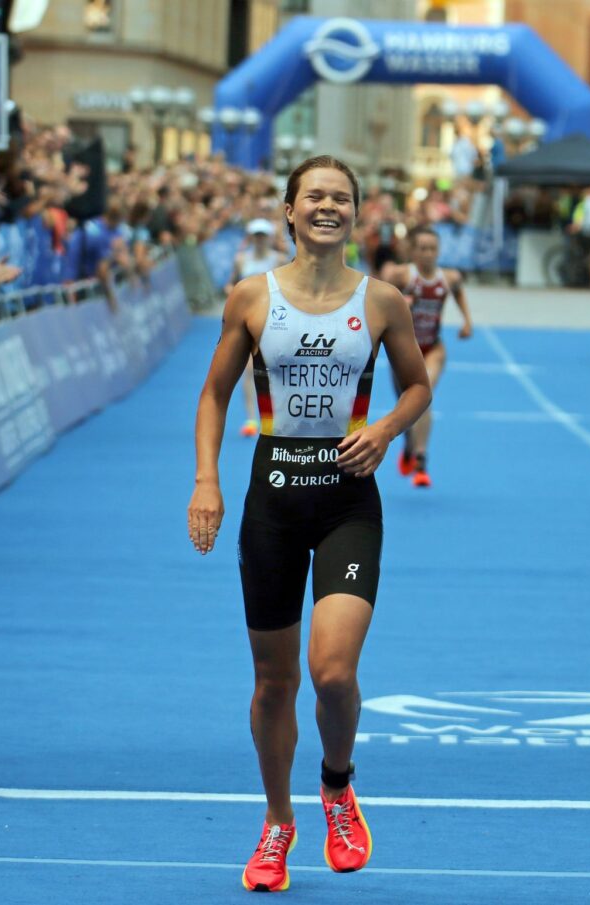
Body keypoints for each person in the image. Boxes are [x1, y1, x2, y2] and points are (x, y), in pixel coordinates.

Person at [187, 156, 430, 893]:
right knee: (273, 682)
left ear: (357, 215)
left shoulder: (382, 300)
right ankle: (276, 821)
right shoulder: (251, 298)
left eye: (342, 198)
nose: (328, 206)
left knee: (333, 672)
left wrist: (385, 429)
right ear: (289, 211)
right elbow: (213, 394)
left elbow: (417, 385)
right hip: (272, 500)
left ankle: (337, 784)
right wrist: (207, 481)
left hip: (347, 498)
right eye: (314, 196)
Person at [381, 225, 473, 487]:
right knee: (406, 403)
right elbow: (380, 300)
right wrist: (400, 301)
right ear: (412, 250)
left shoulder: (450, 278)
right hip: (404, 351)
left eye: (433, 248)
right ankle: (410, 446)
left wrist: (467, 321)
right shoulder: (401, 275)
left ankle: (421, 459)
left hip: (433, 348)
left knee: (423, 395)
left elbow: (459, 293)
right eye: (422, 248)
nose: (428, 254)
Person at [226, 218, 287, 438]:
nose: (260, 240)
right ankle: (252, 419)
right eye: (257, 235)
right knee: (250, 371)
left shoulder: (279, 260)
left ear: (269, 237)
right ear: (251, 238)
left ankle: (276, 416)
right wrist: (232, 293)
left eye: (264, 235)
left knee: (277, 370)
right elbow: (230, 283)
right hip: (246, 321)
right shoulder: (241, 260)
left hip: (275, 321)